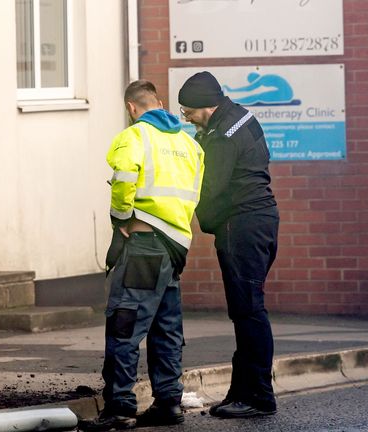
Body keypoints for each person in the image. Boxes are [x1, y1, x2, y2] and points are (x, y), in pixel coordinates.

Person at [79, 80, 204, 431]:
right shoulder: (188, 142)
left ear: (132, 108)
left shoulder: (135, 137)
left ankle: (120, 405)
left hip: (145, 243)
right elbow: (194, 192)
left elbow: (123, 179)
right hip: (177, 245)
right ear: (160, 103)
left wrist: (121, 219)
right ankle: (168, 402)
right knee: (165, 327)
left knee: (125, 323)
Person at [178, 71, 280, 418]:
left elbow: (210, 187)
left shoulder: (220, 137)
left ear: (205, 106)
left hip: (242, 226)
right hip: (262, 220)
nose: (186, 118)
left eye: (187, 111)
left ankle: (259, 397)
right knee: (245, 310)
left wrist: (198, 217)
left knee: (249, 310)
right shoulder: (242, 117)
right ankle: (242, 391)